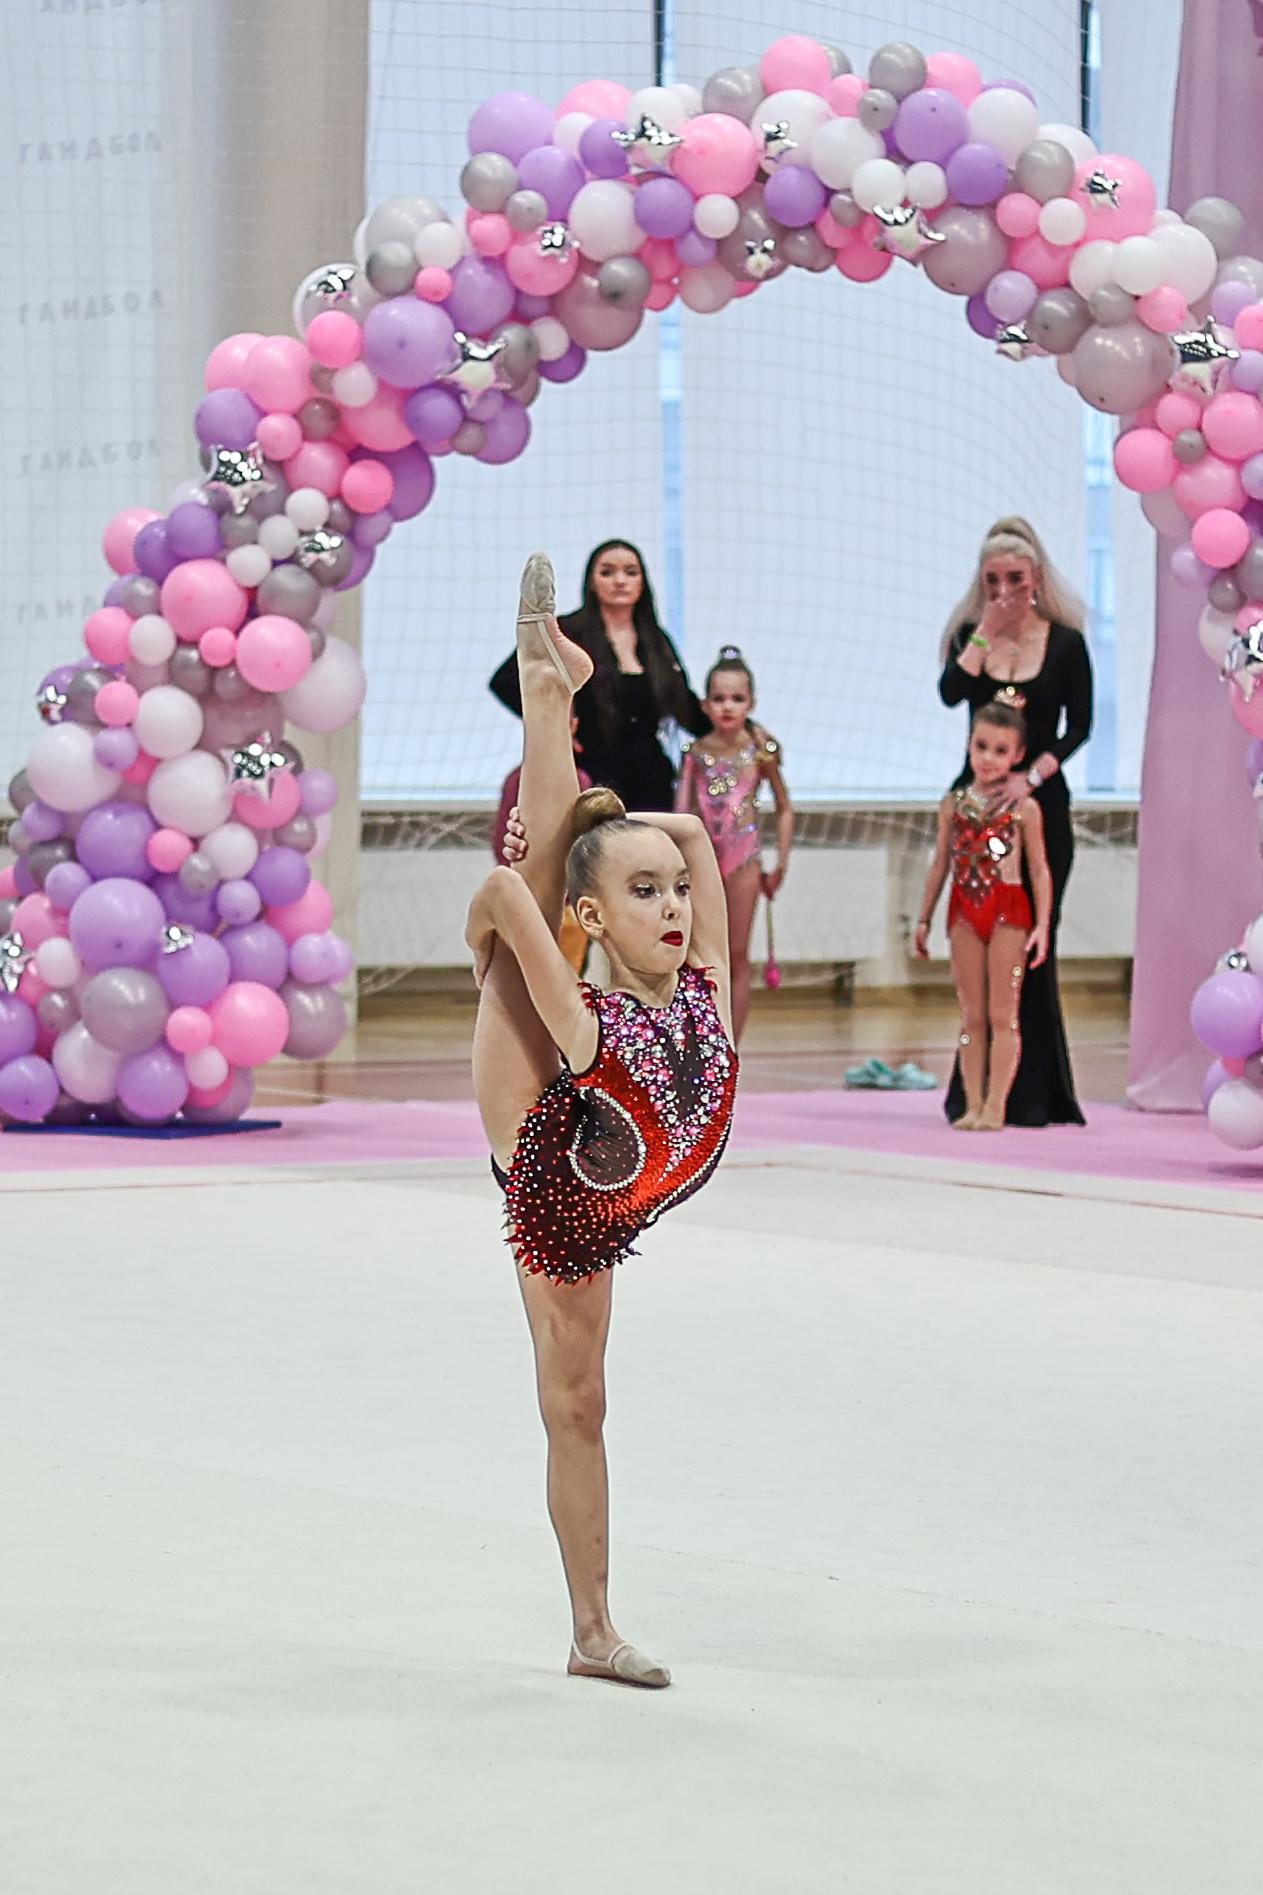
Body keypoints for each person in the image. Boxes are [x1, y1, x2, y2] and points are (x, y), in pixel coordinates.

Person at [466, 554, 738, 1691]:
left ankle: (552, 688)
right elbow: (505, 899)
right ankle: (594, 1628)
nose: (676, 904)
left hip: (619, 1152)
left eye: (674, 889)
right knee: (576, 1399)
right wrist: (508, 922)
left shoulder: (709, 986)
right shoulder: (581, 1016)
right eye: (644, 892)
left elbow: (703, 843)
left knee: (559, 841)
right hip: (549, 1156)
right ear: (592, 915)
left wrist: (635, 829)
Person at [937, 516, 1092, 1126]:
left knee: (1031, 952)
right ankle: (973, 1095)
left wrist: (1035, 774)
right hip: (975, 811)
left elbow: (1081, 724)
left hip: (1036, 805)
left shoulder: (1066, 642)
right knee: (976, 957)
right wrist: (985, 634)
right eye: (993, 579)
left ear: (1037, 579)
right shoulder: (970, 637)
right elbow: (952, 693)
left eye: (1016, 579)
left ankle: (1034, 1093)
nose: (1005, 589)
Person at [489, 539, 708, 809]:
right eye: (607, 572)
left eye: (630, 572)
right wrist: (554, 723)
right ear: (591, 581)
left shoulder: (656, 639)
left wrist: (744, 731)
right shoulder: (567, 632)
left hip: (651, 776)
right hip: (591, 774)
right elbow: (505, 682)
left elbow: (684, 705)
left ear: (643, 582)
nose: (620, 581)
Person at [916, 704, 1052, 1129]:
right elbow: (940, 862)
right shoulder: (953, 804)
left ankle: (996, 1105)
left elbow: (1039, 869)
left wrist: (1044, 925)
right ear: (969, 745)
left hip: (1008, 910)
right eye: (981, 746)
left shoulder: (1025, 809)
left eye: (1000, 750)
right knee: (971, 1015)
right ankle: (972, 1104)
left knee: (1001, 1014)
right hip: (963, 910)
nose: (988, 758)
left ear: (1017, 756)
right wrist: (923, 918)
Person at [675, 646, 793, 1042]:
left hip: (745, 862)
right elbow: (680, 815)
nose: (728, 707)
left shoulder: (759, 753)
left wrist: (780, 863)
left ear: (751, 703)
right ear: (705, 704)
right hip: (702, 863)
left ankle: (731, 1049)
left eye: (737, 699)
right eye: (719, 698)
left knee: (738, 955)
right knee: (699, 956)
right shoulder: (694, 753)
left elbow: (784, 807)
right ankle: (702, 1041)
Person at [492, 712, 591, 974]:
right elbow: (502, 842)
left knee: (567, 977)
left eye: (560, 723)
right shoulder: (517, 781)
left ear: (573, 725)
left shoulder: (581, 781)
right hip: (526, 901)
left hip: (569, 906)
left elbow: (588, 844)